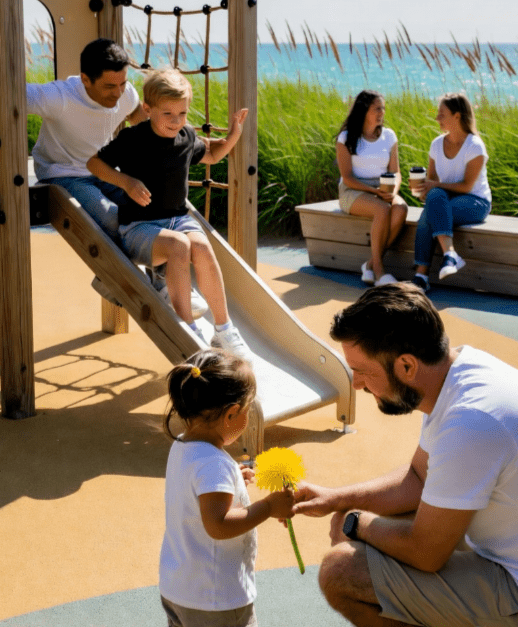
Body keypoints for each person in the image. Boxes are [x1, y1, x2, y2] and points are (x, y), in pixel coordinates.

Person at [293, 283, 518, 627]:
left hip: (511, 579)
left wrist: (357, 521)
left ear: (407, 366)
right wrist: (336, 498)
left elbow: (426, 553)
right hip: (502, 549)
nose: (355, 384)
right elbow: (418, 476)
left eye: (364, 372)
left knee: (341, 570)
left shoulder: (470, 421)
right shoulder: (459, 373)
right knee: (370, 526)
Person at [26, 37, 207, 316]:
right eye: (110, 86)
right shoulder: (59, 97)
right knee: (112, 216)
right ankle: (116, 280)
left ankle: (156, 280)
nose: (118, 92)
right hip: (63, 174)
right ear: (86, 80)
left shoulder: (127, 94)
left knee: (150, 203)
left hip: (103, 170)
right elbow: (12, 93)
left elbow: (143, 123)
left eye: (123, 83)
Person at [87, 68, 250, 356]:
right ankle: (187, 328)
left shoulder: (186, 136)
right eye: (167, 114)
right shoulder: (132, 138)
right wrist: (127, 182)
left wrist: (234, 135)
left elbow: (211, 154)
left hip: (177, 219)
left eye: (183, 114)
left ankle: (224, 330)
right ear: (147, 109)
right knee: (179, 246)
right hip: (139, 228)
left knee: (200, 245)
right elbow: (95, 165)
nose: (176, 122)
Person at [160, 349, 295, 627]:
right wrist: (268, 506)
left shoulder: (183, 446)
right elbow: (218, 525)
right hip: (216, 600)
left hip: (179, 589)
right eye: (247, 411)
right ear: (232, 414)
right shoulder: (214, 465)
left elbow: (195, 493)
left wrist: (233, 475)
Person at [412, 93, 492, 293]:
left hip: (475, 202)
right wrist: (423, 191)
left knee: (430, 213)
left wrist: (434, 187)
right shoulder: (436, 144)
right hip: (445, 200)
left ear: (457, 116)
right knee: (434, 199)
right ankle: (449, 254)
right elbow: (432, 183)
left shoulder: (475, 146)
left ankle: (421, 276)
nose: (437, 118)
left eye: (442, 114)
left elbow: (466, 186)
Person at [336, 90, 408, 286]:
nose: (381, 113)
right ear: (364, 110)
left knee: (400, 208)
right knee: (382, 209)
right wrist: (375, 193)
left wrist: (392, 191)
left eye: (383, 108)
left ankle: (369, 264)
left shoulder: (389, 136)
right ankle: (378, 270)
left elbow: (396, 172)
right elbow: (348, 178)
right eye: (377, 108)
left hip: (383, 186)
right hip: (353, 190)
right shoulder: (345, 138)